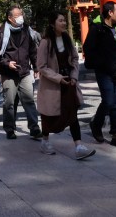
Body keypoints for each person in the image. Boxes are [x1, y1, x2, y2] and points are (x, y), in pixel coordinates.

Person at [36, 13, 95, 160]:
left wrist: (74, 76)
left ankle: (79, 146)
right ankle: (45, 140)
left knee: (72, 112)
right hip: (52, 84)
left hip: (68, 82)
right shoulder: (46, 42)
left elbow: (75, 59)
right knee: (49, 115)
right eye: (60, 20)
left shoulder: (67, 39)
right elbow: (41, 66)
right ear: (53, 23)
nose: (63, 23)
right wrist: (58, 78)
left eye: (64, 20)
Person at [83, 1, 116, 149]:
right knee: (109, 101)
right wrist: (102, 64)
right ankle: (96, 124)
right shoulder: (97, 28)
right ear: (110, 13)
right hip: (104, 72)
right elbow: (88, 49)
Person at [0, 5, 41, 140]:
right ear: (9, 18)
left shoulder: (26, 29)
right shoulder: (1, 32)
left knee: (29, 100)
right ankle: (10, 129)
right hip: (8, 73)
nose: (20, 18)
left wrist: (36, 67)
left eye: (21, 15)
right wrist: (7, 63)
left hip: (24, 71)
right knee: (9, 102)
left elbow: (32, 50)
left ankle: (34, 128)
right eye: (17, 15)